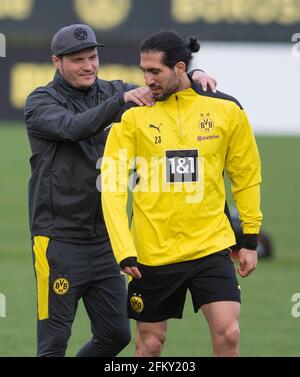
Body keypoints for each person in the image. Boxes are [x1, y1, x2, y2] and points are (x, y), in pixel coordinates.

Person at [24, 24, 217, 357]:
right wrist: (121, 102)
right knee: (54, 343)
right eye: (77, 60)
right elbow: (73, 128)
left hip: (107, 242)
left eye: (93, 57)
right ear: (56, 61)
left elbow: (162, 87)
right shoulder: (40, 101)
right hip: (58, 241)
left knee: (115, 335)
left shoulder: (112, 90)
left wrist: (193, 74)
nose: (88, 65)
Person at [101, 31, 262, 357]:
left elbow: (245, 175)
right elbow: (113, 187)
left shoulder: (227, 109)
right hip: (152, 253)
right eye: (143, 71)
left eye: (154, 72)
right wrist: (123, 249)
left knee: (228, 333)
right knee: (150, 343)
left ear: (178, 68)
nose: (147, 80)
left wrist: (251, 238)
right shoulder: (132, 113)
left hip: (211, 245)